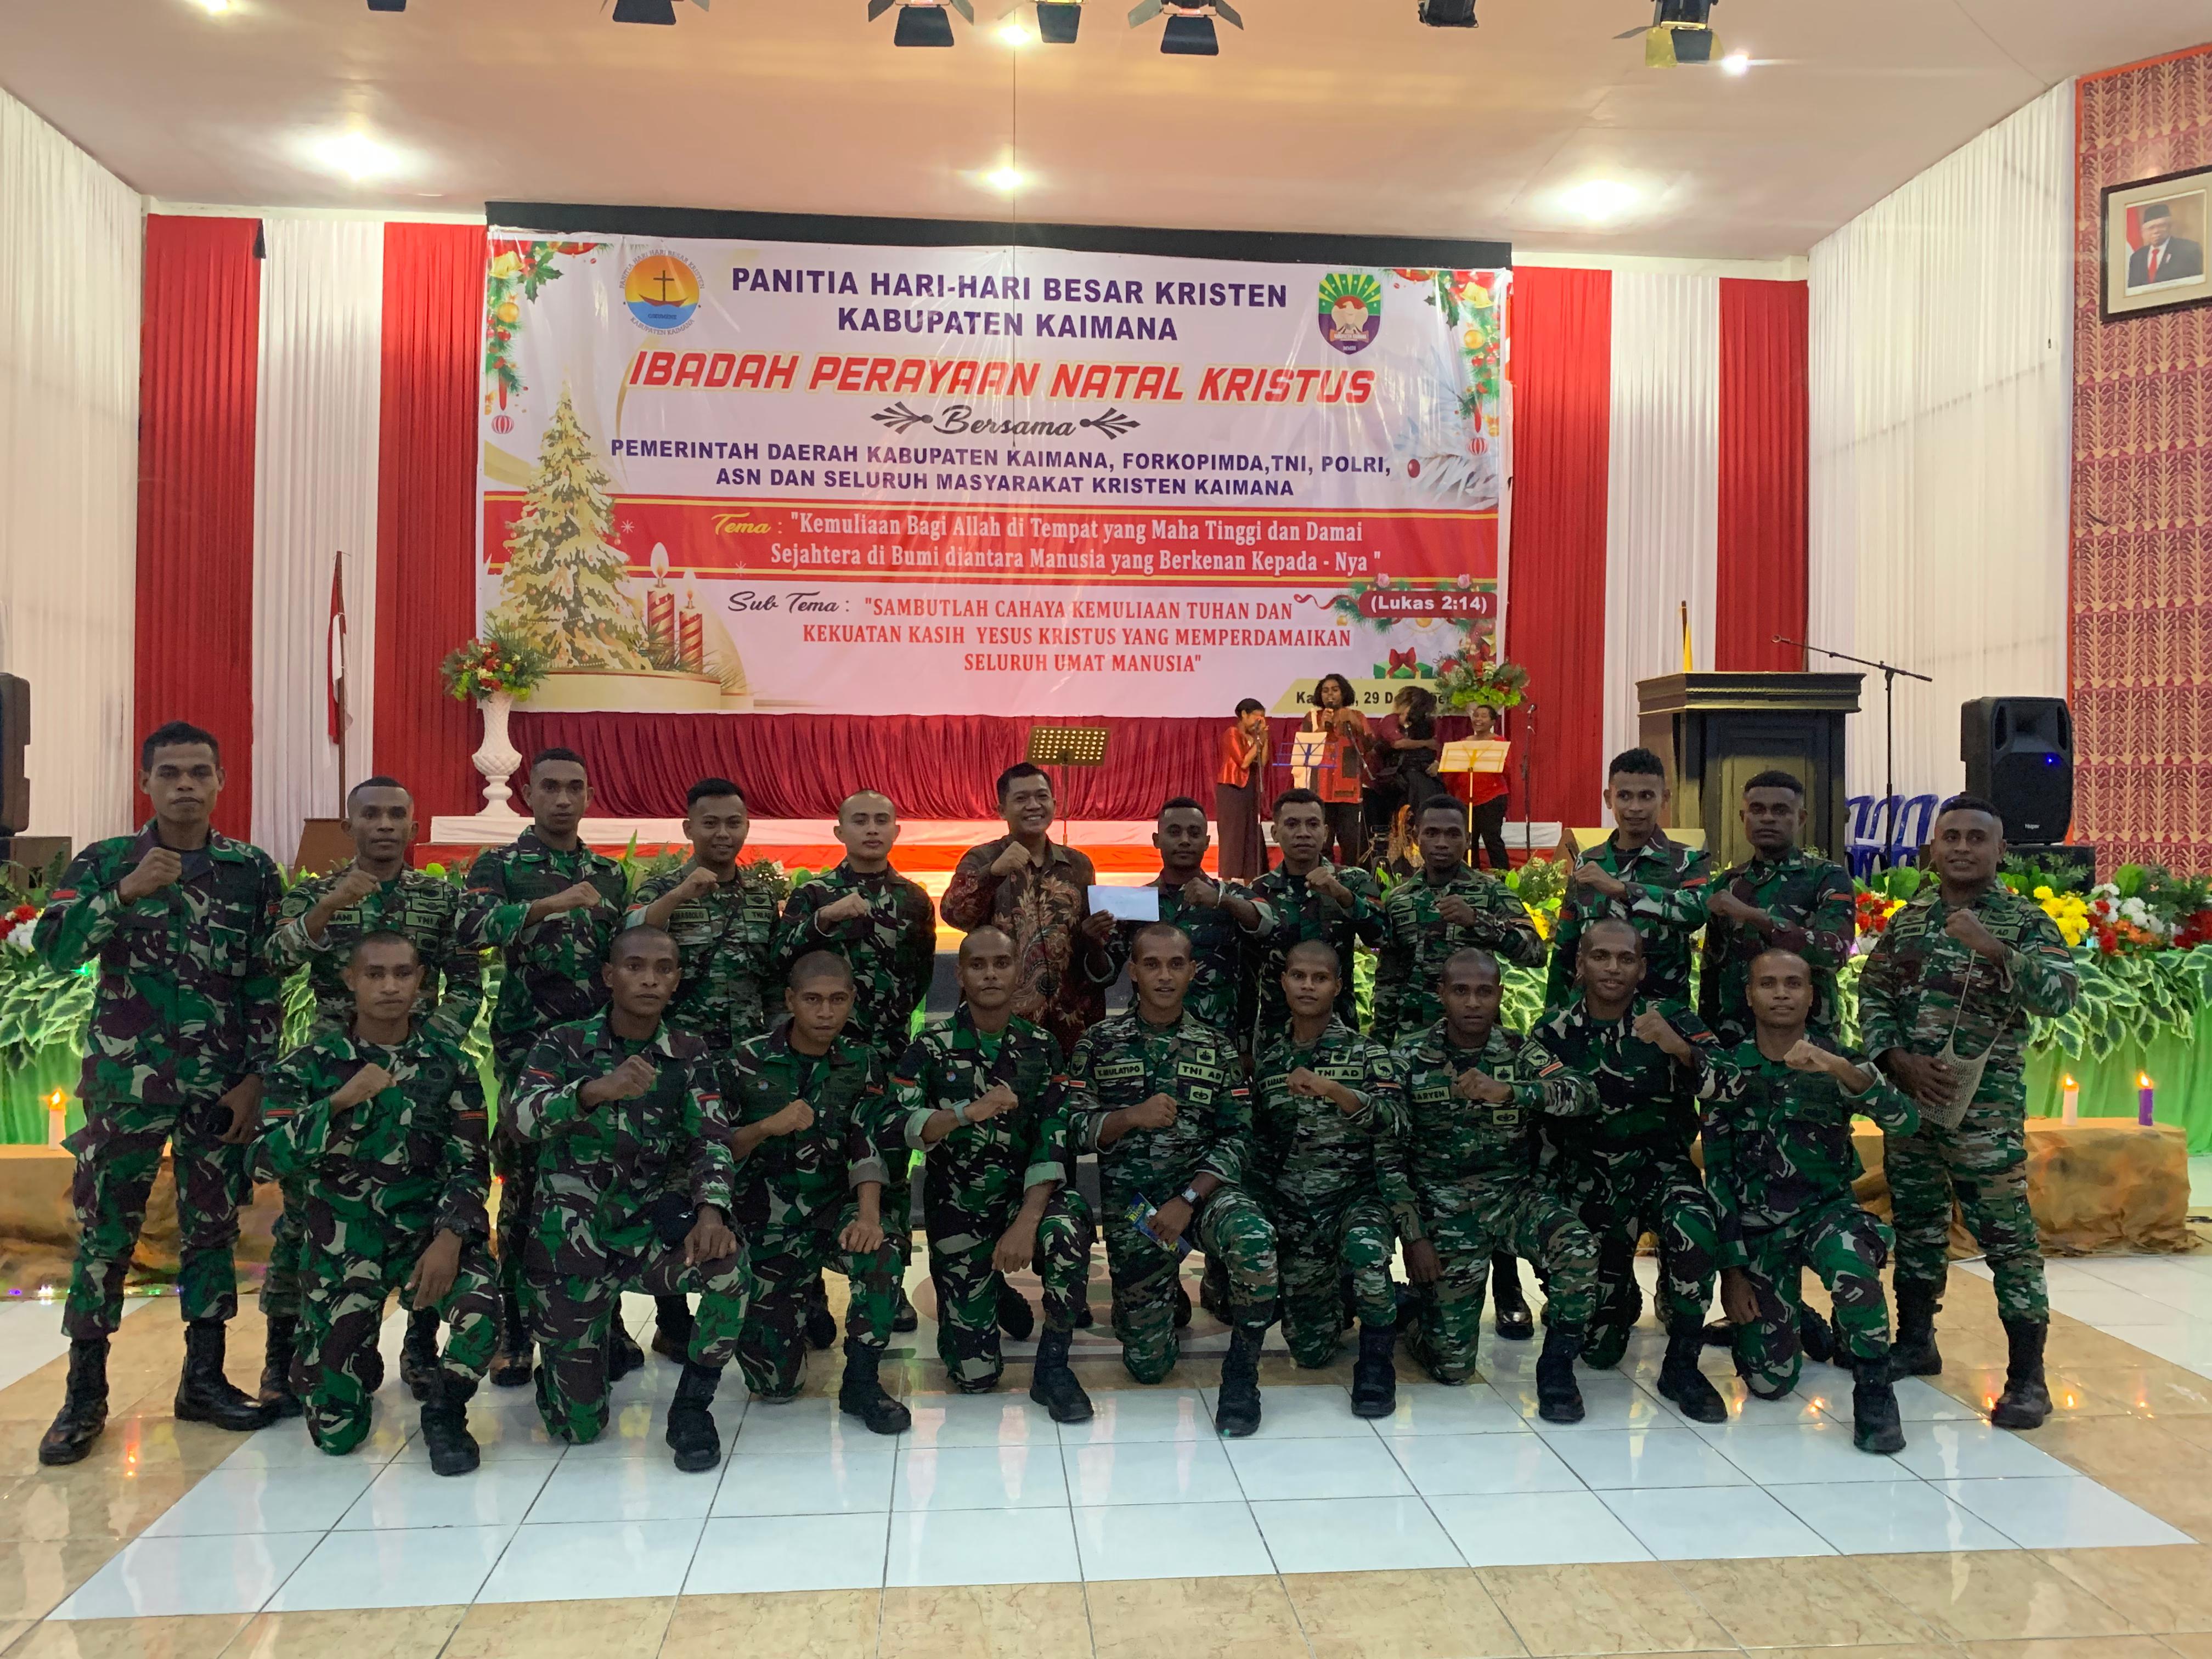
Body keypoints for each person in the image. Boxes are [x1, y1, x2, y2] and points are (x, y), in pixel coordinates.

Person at [36, 721, 282, 1466]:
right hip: (127, 1087)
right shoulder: (106, 861)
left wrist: (257, 1080)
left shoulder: (249, 872)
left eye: (199, 772)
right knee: (107, 1235)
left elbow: (264, 983)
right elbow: (54, 950)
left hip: (218, 1086)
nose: (185, 785)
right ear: (145, 782)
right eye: (170, 773)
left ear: (221, 781)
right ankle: (84, 1395)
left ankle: (203, 1380)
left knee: (213, 1232)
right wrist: (124, 893)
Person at [1859, 794, 2079, 1431]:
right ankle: (1916, 1341)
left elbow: (2061, 995)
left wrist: (1995, 950)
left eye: (1975, 838)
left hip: (1985, 1114)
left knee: (2007, 1239)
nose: (1960, 848)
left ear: (2000, 850)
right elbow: (1874, 994)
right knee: (1918, 1226)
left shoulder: (2023, 922)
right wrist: (1894, 1058)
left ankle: (2028, 1378)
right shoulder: (1910, 920)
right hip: (1912, 1108)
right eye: (1950, 836)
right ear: (1933, 848)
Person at [266, 775, 485, 1413]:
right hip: (333, 1074)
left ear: (413, 826)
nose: (384, 825)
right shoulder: (315, 894)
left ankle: (419, 1346)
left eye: (396, 815)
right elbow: (274, 960)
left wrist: (426, 1048)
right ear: (350, 825)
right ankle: (285, 1352)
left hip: (420, 1075)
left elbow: (467, 982)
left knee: (420, 1197)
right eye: (371, 815)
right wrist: (329, 906)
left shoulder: (440, 899)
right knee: (305, 1212)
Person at [505, 926, 751, 1470]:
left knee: (728, 1266)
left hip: (645, 1231)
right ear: (609, 976)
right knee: (577, 1429)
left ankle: (692, 1408)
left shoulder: (688, 1052)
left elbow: (710, 1140)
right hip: (572, 1243)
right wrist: (594, 1091)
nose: (649, 979)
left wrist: (711, 1211)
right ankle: (569, 1363)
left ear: (677, 979)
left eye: (663, 969)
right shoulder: (563, 1044)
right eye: (635, 967)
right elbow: (519, 1121)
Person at [254, 933, 500, 1474]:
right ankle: (338, 1353)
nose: (390, 986)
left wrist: (450, 1239)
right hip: (342, 1247)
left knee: (482, 1310)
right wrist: (338, 1103)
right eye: (375, 974)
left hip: (423, 1239)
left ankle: (444, 1411)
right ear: (351, 980)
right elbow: (265, 1161)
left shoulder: (450, 1067)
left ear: (421, 982)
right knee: (337, 1437)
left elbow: (469, 1167)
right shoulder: (306, 1067)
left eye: (403, 974)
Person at [460, 748, 631, 1389]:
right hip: (530, 1056)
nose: (563, 798)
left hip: (599, 1054)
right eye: (550, 787)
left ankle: (605, 1322)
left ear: (589, 796)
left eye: (574, 788)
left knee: (602, 1187)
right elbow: (471, 927)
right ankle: (515, 1332)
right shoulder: (500, 865)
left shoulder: (609, 874)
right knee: (525, 1196)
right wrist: (546, 906)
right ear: (527, 794)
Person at [1067, 923, 1279, 1435]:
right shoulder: (1098, 1043)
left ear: (1192, 972)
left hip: (1201, 1198)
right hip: (1137, 1212)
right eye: (1153, 965)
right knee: (1148, 1366)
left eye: (1176, 965)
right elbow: (1071, 1127)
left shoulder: (1217, 1047)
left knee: (1255, 1239)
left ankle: (1241, 1374)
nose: (1165, 976)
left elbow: (1239, 1137)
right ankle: (1159, 1293)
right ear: (1133, 972)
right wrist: (1128, 1117)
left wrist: (1188, 1198)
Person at [1704, 949, 1913, 1454]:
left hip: (1827, 1215)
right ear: (1749, 995)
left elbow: (1905, 1120)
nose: (1781, 994)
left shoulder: (1837, 1059)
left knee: (1851, 1263)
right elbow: (1719, 1174)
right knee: (1768, 1382)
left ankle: (1874, 1390)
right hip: (1760, 1229)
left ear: (1811, 995)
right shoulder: (1728, 1068)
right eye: (1768, 983)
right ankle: (1800, 1316)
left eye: (1793, 984)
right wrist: (1732, 1274)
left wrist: (1839, 1068)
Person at [888, 925, 1093, 1422]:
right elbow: (900, 1123)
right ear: (959, 975)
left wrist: (1027, 1222)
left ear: (1018, 971)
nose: (990, 974)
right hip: (958, 1209)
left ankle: (1053, 1368)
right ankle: (989, 1288)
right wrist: (966, 1113)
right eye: (977, 965)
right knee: (974, 1378)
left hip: (1026, 1199)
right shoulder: (929, 1046)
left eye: (1002, 963)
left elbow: (1053, 1136)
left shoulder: (1042, 1046)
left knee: (1067, 1229)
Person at [1532, 918, 1730, 1421]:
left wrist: (1681, 1049)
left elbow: (1733, 1085)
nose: (1613, 968)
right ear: (1581, 964)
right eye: (1601, 956)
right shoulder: (1553, 1030)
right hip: (1590, 1182)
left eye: (1626, 959)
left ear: (1642, 969)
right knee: (1599, 1352)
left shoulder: (1671, 1018)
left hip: (1661, 1172)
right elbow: (1538, 1125)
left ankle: (1681, 1364)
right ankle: (1617, 1297)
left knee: (1694, 1227)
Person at [1388, 949, 1598, 1423]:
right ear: (1441, 994)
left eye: (1484, 992)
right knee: (1452, 1368)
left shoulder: (1520, 1050)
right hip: (1443, 1210)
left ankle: (1557, 1367)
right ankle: (1419, 1312)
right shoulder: (1408, 1056)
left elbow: (1584, 1094)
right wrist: (1414, 1235)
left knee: (1578, 1247)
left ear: (1500, 995)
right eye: (1461, 991)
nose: (1473, 1003)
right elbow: (1388, 1153)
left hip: (1511, 1199)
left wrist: (1514, 1092)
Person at [625, 777, 785, 1362]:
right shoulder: (663, 888)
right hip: (679, 1066)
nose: (723, 834)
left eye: (733, 823)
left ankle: (753, 1302)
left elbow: (773, 979)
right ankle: (672, 1319)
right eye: (710, 823)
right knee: (673, 1180)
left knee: (751, 1172)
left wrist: (774, 1049)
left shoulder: (762, 897)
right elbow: (630, 943)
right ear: (688, 827)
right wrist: (680, 895)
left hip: (746, 1063)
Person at [724, 951, 910, 1435]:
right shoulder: (745, 1061)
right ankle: (804, 1300)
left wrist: (868, 1216)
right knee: (774, 1387)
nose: (826, 1012)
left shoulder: (862, 1061)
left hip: (834, 1211)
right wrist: (766, 1126)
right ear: (790, 1000)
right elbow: (716, 1148)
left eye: (837, 1000)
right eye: (812, 1000)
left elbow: (868, 1143)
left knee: (882, 1251)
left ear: (852, 1001)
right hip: (768, 1224)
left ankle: (862, 1382)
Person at [774, 789, 938, 1337]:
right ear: (839, 831)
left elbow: (918, 977)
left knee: (890, 1165)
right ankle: (810, 1291)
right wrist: (823, 921)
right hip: (818, 1055)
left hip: (885, 1056)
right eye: (860, 820)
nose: (871, 829)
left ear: (896, 831)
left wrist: (886, 1031)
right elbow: (780, 959)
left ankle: (891, 1282)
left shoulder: (914, 900)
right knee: (810, 1162)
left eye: (882, 820)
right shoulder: (815, 894)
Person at [1250, 940, 1407, 1416]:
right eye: (1299, 976)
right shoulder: (1271, 1059)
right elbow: (1261, 1143)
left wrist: (1337, 1091)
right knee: (1311, 1351)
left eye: (1320, 979)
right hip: (1298, 1213)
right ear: (1284, 982)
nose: (1308, 986)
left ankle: (1376, 1364)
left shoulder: (1368, 1054)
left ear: (1338, 987)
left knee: (1365, 1252)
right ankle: (1365, 1300)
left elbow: (1398, 1122)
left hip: (1355, 1201)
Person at [941, 763, 1119, 1061]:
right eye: (1021, 799)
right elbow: (954, 914)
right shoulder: (983, 858)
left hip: (1069, 1019)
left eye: (1042, 796)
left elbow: (1087, 939)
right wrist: (993, 873)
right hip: (1002, 1021)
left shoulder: (1079, 865)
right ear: (1002, 810)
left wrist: (1094, 934)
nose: (1034, 805)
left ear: (1054, 804)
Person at [1697, 769, 1856, 1048]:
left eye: (1780, 811)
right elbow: (1712, 969)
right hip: (1734, 1038)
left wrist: (1755, 917)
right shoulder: (1729, 883)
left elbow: (1834, 953)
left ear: (1801, 818)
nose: (1768, 818)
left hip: (1806, 1038)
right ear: (1743, 818)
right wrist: (1707, 1041)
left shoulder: (1826, 877)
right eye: (1757, 810)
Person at [1546, 747, 1712, 1009]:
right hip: (1593, 1018)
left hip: (1659, 1016)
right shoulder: (1589, 861)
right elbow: (1566, 948)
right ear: (1608, 799)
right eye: (1624, 796)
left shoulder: (1687, 860)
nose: (1635, 808)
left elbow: (1697, 910)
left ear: (1665, 799)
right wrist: (1554, 1016)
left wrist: (1624, 890)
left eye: (1646, 796)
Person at [1109, 797, 1272, 1041]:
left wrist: (1221, 901)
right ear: (1157, 840)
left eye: (1194, 833)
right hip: (1148, 1040)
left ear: (1206, 842)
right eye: (1174, 832)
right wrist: (1091, 940)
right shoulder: (1136, 901)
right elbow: (1106, 972)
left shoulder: (1230, 896)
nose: (1185, 840)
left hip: (1217, 1041)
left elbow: (1268, 923)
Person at [1248, 788, 1384, 1043]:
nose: (1303, 833)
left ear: (1325, 832)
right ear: (1275, 833)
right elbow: (1247, 971)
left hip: (1338, 1031)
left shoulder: (1352, 881)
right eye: (1292, 824)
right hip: (1277, 1035)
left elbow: (1381, 938)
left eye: (1312, 824)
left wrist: (1343, 896)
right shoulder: (1260, 891)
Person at [1300, 674, 1369, 867]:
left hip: (1349, 791)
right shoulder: (1312, 718)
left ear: (1344, 693)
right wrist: (1322, 727)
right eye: (1325, 691)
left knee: (1351, 845)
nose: (1330, 694)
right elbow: (1303, 749)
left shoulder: (1357, 716)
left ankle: (1350, 881)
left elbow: (1371, 746)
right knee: (1322, 844)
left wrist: (1354, 722)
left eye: (1335, 690)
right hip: (1320, 791)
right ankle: (1322, 880)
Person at [1214, 698, 1272, 883]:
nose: (1259, 721)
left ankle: (1250, 880)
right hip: (1232, 788)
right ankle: (1227, 881)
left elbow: (1262, 762)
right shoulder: (1232, 733)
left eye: (1262, 718)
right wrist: (1259, 741)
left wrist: (1264, 739)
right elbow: (1244, 762)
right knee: (1232, 834)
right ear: (1244, 715)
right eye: (1257, 717)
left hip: (1250, 788)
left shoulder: (1255, 738)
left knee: (1250, 834)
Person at [1460, 705, 1511, 873]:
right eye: (1476, 715)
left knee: (1492, 838)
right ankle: (1470, 875)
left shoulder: (1499, 743)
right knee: (1468, 840)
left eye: (1483, 716)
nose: (1478, 719)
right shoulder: (1464, 743)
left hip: (1492, 797)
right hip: (1467, 798)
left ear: (1493, 722)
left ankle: (1503, 877)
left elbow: (1507, 769)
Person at [2130, 200, 2204, 287]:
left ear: (2169, 227)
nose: (2156, 231)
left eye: (2161, 226)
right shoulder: (2137, 257)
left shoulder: (2189, 249)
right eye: (2151, 228)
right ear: (2145, 231)